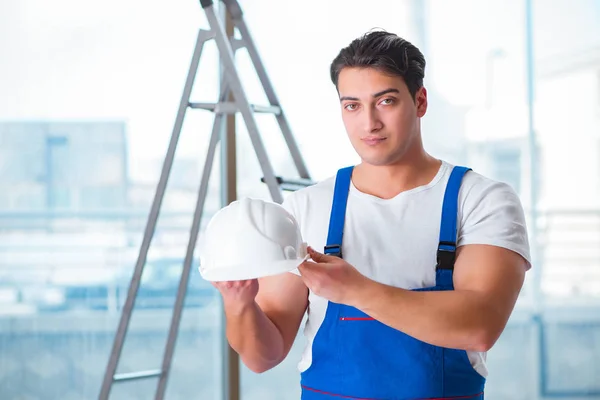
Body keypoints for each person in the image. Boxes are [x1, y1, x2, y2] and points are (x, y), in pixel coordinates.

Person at [211, 30, 531, 399]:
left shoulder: (480, 200)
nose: (369, 123)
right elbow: (262, 356)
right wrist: (238, 303)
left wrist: (353, 289)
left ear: (420, 101)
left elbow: (480, 324)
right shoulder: (306, 208)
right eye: (352, 106)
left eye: (386, 101)